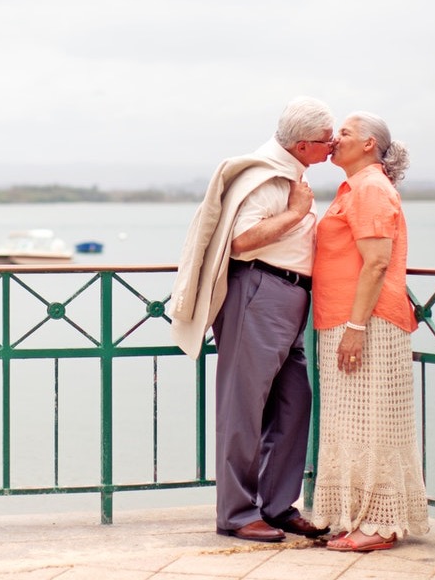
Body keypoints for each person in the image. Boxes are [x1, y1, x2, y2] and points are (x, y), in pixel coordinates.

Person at [170, 97, 335, 542]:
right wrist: (297, 214)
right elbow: (242, 242)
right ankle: (238, 514)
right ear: (302, 145)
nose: (332, 145)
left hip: (287, 298)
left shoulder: (290, 173)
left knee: (293, 403)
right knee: (242, 407)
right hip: (258, 292)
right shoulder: (266, 179)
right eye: (325, 140)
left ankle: (278, 505)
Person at [309, 111, 429, 552]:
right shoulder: (356, 187)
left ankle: (380, 526)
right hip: (344, 321)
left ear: (368, 145)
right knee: (352, 426)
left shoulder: (372, 189)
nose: (334, 138)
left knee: (376, 423)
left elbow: (377, 262)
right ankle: (360, 517)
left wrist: (356, 327)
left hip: (369, 324)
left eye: (345, 132)